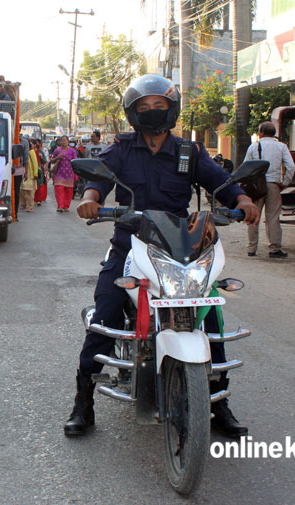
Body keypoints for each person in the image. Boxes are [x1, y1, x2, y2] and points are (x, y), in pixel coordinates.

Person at [64, 74, 259, 438]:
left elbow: (221, 182)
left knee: (209, 313)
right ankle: (83, 401)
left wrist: (243, 201)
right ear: (133, 114)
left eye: (159, 106)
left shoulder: (189, 152)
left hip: (179, 247)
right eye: (144, 108)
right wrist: (91, 199)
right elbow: (100, 178)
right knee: (105, 310)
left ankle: (217, 403)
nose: (152, 112)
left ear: (172, 110)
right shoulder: (122, 148)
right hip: (131, 244)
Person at [242, 121, 295, 258]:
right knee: (273, 217)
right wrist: (285, 182)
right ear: (274, 133)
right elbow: (291, 167)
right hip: (273, 185)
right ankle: (275, 248)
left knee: (253, 216)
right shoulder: (281, 146)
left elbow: (246, 167)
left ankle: (252, 248)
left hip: (256, 186)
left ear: (261, 133)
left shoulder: (254, 147)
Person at [50, 136, 78, 212]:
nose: (63, 142)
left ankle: (66, 206)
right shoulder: (57, 150)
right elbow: (52, 161)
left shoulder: (72, 151)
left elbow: (75, 161)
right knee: (59, 189)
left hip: (69, 173)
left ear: (68, 142)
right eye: (62, 140)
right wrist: (57, 157)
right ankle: (60, 206)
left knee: (69, 191)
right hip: (59, 173)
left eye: (65, 140)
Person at [20, 137, 38, 212]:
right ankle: (23, 204)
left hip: (30, 175)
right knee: (22, 191)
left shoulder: (31, 152)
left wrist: (35, 174)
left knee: (30, 192)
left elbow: (35, 163)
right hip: (22, 172)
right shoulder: (22, 152)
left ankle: (30, 206)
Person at [33, 139, 49, 205]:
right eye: (34, 143)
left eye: (37, 143)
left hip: (39, 170)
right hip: (32, 169)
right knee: (32, 185)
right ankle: (33, 199)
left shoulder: (41, 152)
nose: (36, 145)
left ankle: (39, 200)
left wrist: (41, 157)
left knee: (39, 185)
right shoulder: (30, 152)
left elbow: (45, 161)